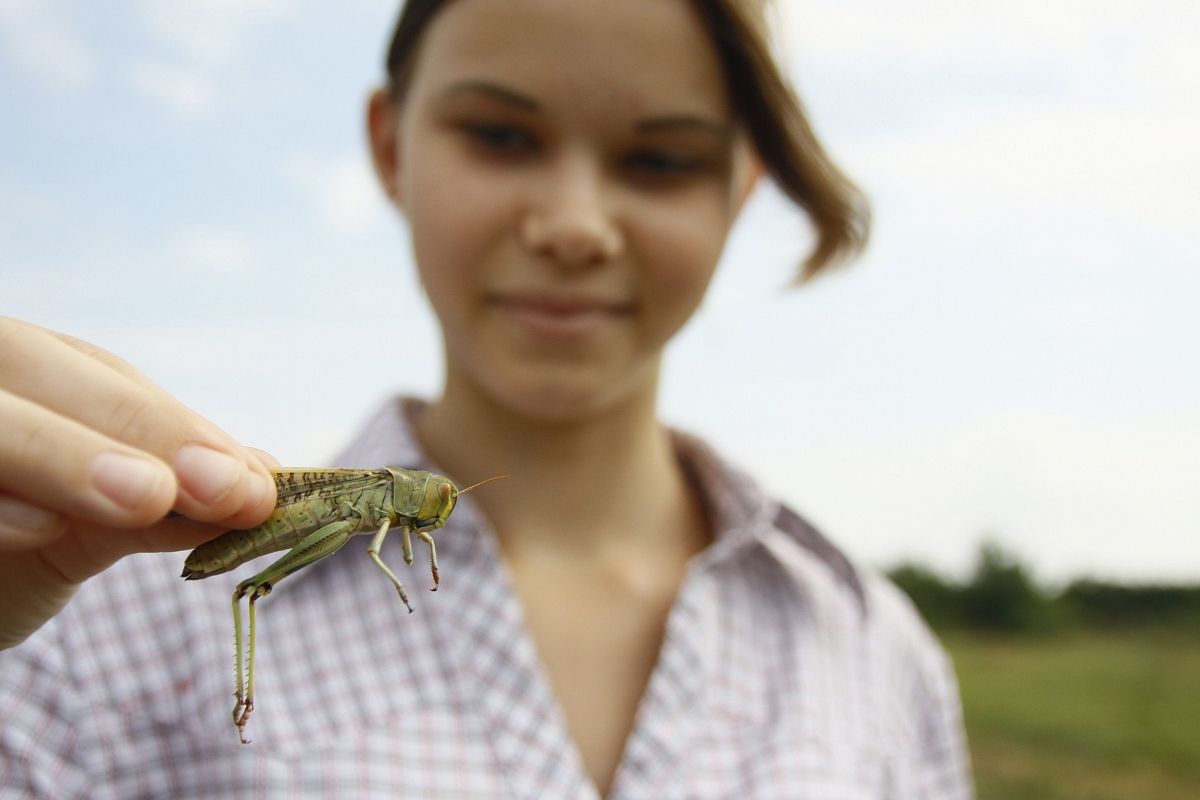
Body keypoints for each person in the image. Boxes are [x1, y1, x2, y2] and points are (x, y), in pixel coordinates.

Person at [0, 0, 973, 797]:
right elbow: (373, 531)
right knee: (255, 584)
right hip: (267, 519)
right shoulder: (77, 605)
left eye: (660, 157)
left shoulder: (872, 647)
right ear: (390, 148)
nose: (572, 226)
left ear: (740, 185)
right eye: (501, 134)